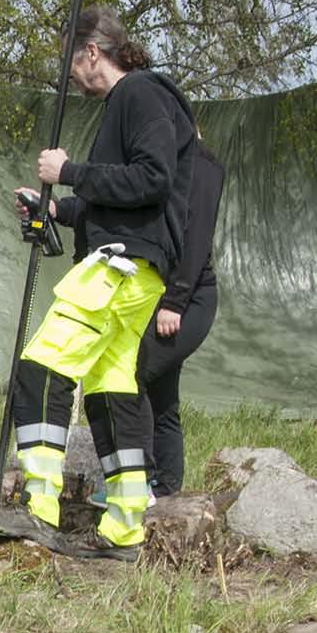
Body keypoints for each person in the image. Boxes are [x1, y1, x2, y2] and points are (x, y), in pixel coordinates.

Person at [0, 5, 196, 561]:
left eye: (70, 60)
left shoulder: (139, 94)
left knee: (42, 368)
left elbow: (153, 177)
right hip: (136, 266)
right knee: (111, 391)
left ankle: (37, 510)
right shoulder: (137, 99)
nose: (69, 74)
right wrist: (56, 209)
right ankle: (124, 530)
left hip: (118, 267)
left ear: (92, 51)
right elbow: (124, 202)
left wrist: (68, 172)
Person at [139, 138, 223, 496]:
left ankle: (137, 481)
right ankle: (167, 484)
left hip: (187, 299)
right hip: (157, 294)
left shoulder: (201, 164)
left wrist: (174, 302)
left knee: (131, 377)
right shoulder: (164, 163)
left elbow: (197, 238)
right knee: (162, 395)